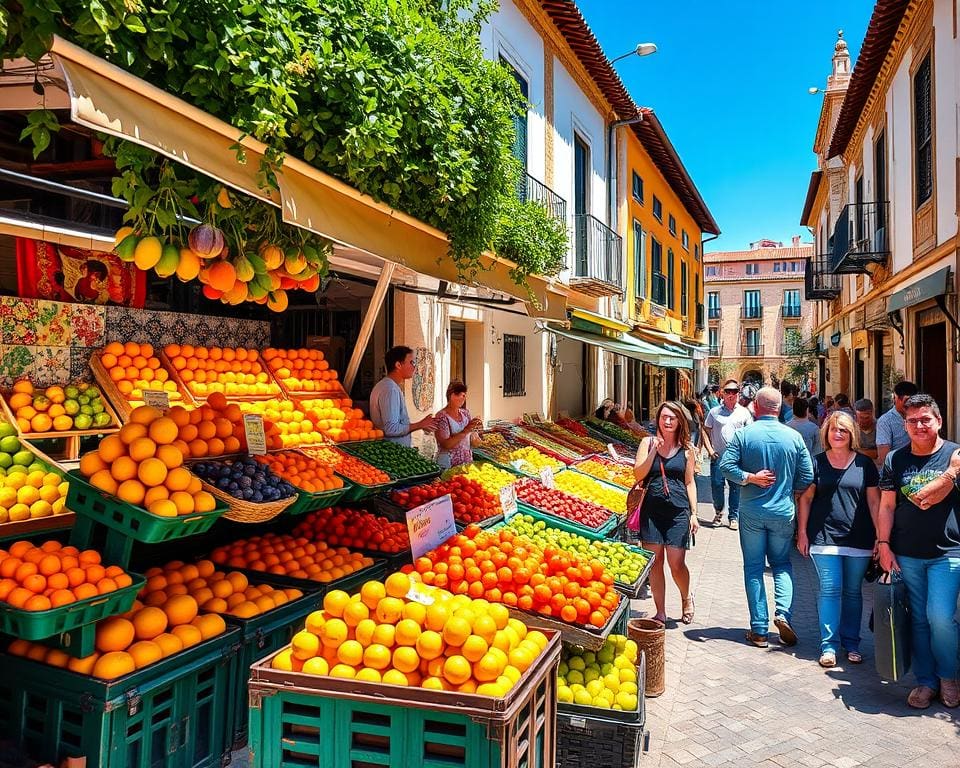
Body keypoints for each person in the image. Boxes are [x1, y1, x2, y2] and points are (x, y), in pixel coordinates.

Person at [877, 394, 960, 709]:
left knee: (939, 616)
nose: (920, 425)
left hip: (948, 551)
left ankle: (948, 675)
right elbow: (888, 506)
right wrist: (883, 544)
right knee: (919, 621)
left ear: (938, 420)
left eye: (926, 419)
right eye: (912, 421)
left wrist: (951, 473)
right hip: (907, 552)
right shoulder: (895, 460)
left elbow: (934, 499)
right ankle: (926, 682)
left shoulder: (955, 455)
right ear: (905, 425)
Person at [719, 387, 815, 648]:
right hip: (782, 511)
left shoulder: (744, 435)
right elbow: (807, 476)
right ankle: (783, 613)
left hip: (751, 510)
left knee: (753, 567)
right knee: (782, 564)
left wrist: (749, 478)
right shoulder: (794, 437)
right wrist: (787, 489)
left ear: (756, 408)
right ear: (780, 407)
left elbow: (725, 467)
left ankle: (759, 629)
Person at [796, 411, 879, 668]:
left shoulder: (864, 464)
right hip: (824, 536)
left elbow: (875, 501)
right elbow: (806, 499)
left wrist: (881, 536)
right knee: (830, 590)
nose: (838, 434)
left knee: (853, 593)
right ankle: (828, 646)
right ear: (826, 433)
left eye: (843, 429)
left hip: (860, 538)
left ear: (851, 433)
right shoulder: (816, 462)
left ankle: (851, 643)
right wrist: (802, 532)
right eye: (834, 429)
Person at [633, 401, 700, 624]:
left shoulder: (687, 450)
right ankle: (660, 611)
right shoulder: (647, 442)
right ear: (658, 419)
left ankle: (686, 596)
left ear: (680, 421)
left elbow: (689, 482)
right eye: (663, 417)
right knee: (655, 561)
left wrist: (694, 513)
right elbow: (638, 474)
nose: (667, 421)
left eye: (672, 418)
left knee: (676, 562)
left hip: (678, 512)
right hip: (651, 511)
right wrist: (654, 452)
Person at [703, 380, 753, 530]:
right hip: (718, 456)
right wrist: (710, 450)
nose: (731, 394)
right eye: (728, 391)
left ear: (738, 393)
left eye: (735, 391)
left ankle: (733, 516)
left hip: (737, 457)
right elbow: (705, 431)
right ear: (722, 393)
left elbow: (749, 435)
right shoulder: (714, 412)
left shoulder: (744, 413)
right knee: (717, 485)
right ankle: (718, 511)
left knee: (735, 487)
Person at [369, 346, 438, 446]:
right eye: (412, 362)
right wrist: (420, 424)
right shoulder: (390, 389)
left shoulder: (388, 386)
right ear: (398, 365)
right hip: (392, 453)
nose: (414, 367)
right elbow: (391, 429)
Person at [434, 381, 482, 469]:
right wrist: (466, 430)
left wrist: (477, 434)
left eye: (464, 395)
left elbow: (472, 440)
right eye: (461, 395)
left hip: (466, 464)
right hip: (448, 465)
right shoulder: (442, 417)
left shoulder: (465, 413)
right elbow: (446, 444)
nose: (463, 398)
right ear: (451, 395)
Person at [876, 380, 919, 466]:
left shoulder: (920, 417)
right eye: (906, 401)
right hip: (897, 469)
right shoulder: (885, 421)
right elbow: (883, 458)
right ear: (897, 399)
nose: (909, 405)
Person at [853, 398, 879, 463]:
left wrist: (858, 451)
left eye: (867, 418)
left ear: (872, 413)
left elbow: (880, 452)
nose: (864, 421)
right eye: (861, 417)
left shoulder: (881, 427)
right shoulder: (852, 428)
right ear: (855, 415)